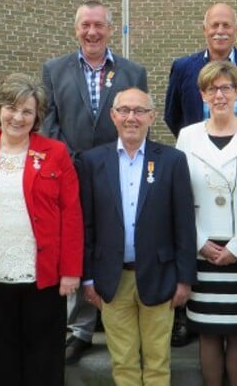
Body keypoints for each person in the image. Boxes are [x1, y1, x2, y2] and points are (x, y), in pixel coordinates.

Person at [0, 73, 83, 386]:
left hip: (44, 277)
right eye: (12, 108)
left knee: (45, 364)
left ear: (37, 116)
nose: (18, 117)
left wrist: (71, 271)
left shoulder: (56, 153)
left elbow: (72, 214)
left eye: (27, 111)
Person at [41, 0, 148, 364]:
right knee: (79, 242)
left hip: (119, 172)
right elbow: (49, 124)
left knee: (115, 238)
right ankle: (80, 329)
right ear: (76, 29)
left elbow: (139, 120)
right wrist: (72, 163)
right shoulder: (54, 70)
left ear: (110, 28)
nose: (92, 32)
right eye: (86, 25)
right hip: (71, 173)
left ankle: (121, 316)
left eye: (99, 25)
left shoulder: (133, 71)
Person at [78, 88, 197, 386]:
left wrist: (184, 278)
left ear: (152, 117)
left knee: (158, 362)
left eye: (140, 110)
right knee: (123, 363)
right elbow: (87, 225)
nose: (132, 117)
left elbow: (183, 223)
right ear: (113, 116)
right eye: (125, 110)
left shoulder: (172, 160)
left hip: (160, 277)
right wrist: (88, 279)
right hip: (111, 280)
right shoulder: (92, 162)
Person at [174, 61, 237, 386]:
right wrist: (200, 241)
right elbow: (179, 197)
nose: (219, 95)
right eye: (212, 89)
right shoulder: (188, 137)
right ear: (202, 94)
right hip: (202, 251)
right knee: (208, 334)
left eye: (226, 88)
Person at [164, 2, 237, 137]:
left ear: (236, 30)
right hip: (197, 152)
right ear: (204, 30)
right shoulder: (183, 68)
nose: (220, 31)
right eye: (214, 25)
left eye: (226, 25)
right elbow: (172, 115)